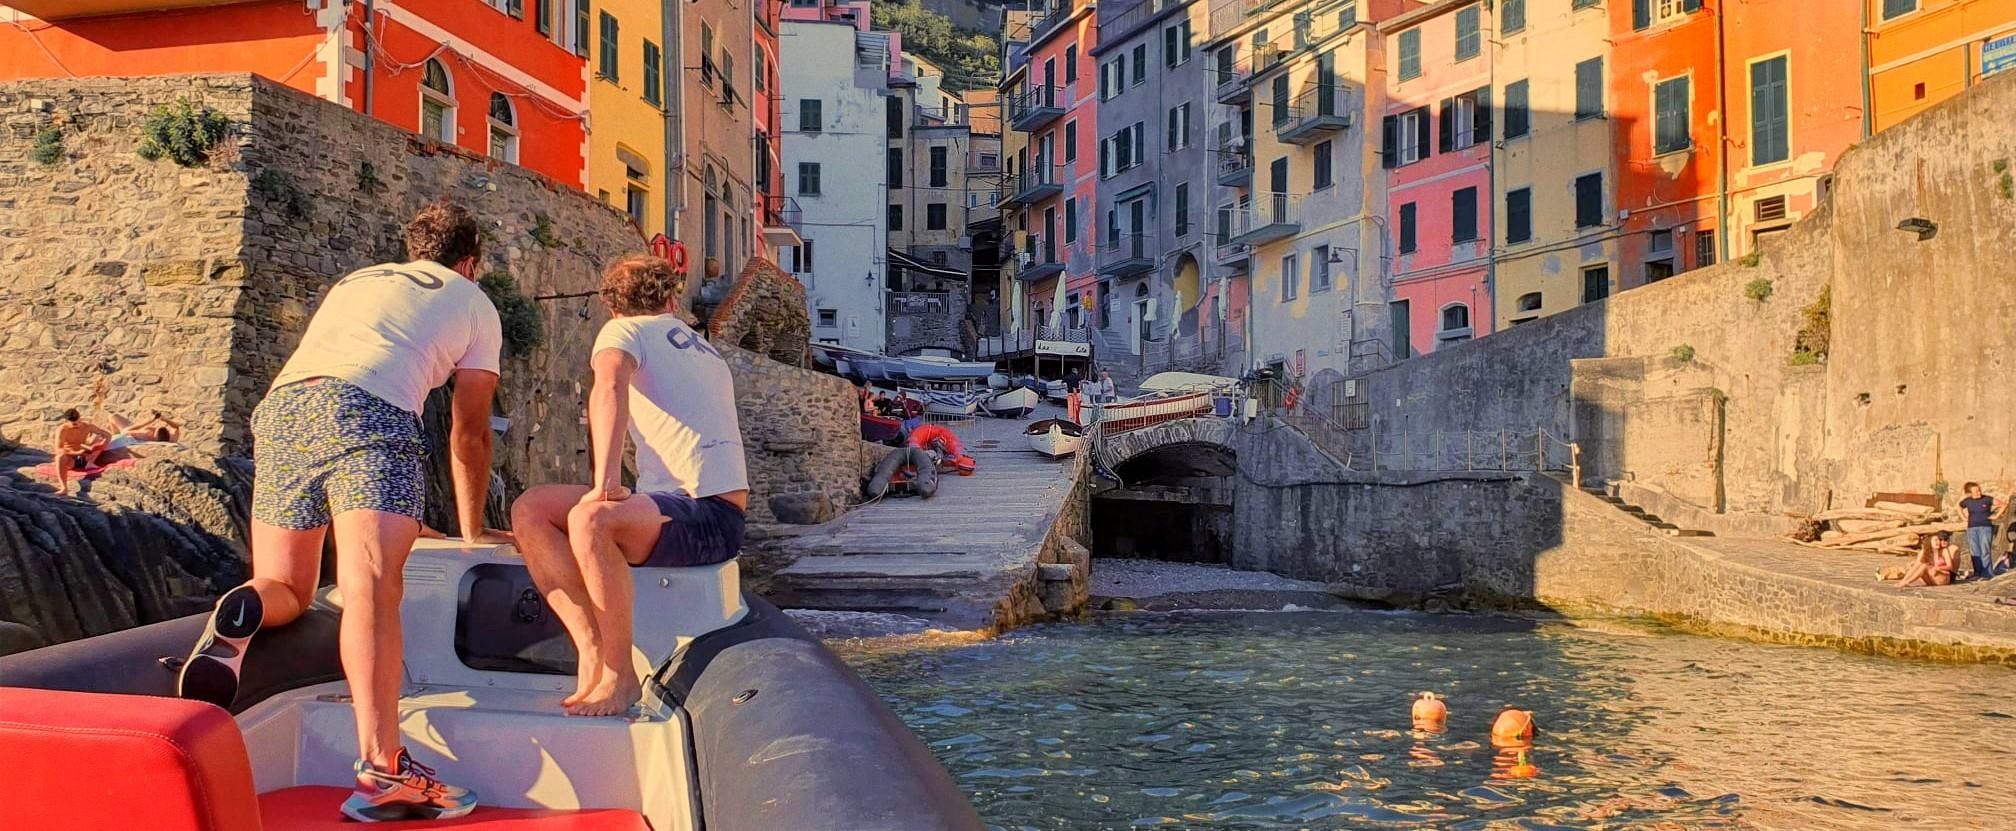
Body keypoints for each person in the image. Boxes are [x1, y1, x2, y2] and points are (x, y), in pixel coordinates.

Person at [176, 200, 506, 822]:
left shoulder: (360, 280)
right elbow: (470, 432)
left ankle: (241, 606)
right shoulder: (473, 300)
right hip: (373, 412)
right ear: (470, 261)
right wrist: (472, 526)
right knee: (372, 584)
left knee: (288, 586)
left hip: (284, 410)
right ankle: (385, 769)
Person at [510, 254, 749, 719]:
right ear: (671, 297)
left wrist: (605, 483)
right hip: (698, 510)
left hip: (704, 515)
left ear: (611, 307)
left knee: (591, 518)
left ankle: (620, 675)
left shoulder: (623, 331)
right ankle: (591, 650)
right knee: (532, 508)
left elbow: (608, 388)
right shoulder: (698, 345)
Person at [50, 408, 112, 496]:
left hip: (85, 455)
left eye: (78, 422)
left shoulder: (87, 426)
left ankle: (90, 462)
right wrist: (76, 453)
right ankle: (64, 488)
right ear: (66, 421)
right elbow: (58, 449)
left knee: (99, 438)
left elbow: (107, 435)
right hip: (71, 457)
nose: (77, 425)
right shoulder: (62, 430)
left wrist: (102, 445)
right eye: (74, 424)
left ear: (80, 418)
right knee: (59, 457)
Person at [1957, 482, 2007, 579]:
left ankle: (1987, 574)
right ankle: (1977, 573)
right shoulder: (1967, 501)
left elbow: (2003, 504)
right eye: (1975, 491)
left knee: (1985, 551)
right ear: (1970, 493)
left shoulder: (1987, 499)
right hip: (1972, 528)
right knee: (1975, 552)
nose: (1978, 492)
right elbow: (1958, 506)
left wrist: (1996, 516)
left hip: (1985, 528)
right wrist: (1963, 517)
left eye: (1979, 490)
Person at [1881, 532, 1955, 587]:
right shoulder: (1926, 552)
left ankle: (1907, 582)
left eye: (1938, 540)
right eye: (1935, 540)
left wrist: (1938, 568)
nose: (1938, 542)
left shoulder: (1944, 551)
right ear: (1930, 543)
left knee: (1924, 566)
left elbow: (1950, 566)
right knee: (1919, 564)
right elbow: (1917, 564)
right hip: (1931, 579)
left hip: (1942, 579)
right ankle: (1904, 581)